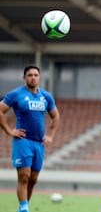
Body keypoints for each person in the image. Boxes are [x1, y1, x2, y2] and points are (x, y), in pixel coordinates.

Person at [0, 64, 60, 212]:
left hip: (38, 143)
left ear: (39, 77)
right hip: (23, 141)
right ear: (24, 77)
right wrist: (9, 131)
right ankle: (24, 208)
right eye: (30, 75)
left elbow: (56, 116)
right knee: (24, 177)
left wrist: (51, 136)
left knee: (33, 179)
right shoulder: (16, 94)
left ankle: (22, 207)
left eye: (36, 75)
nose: (33, 78)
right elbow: (0, 111)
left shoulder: (46, 96)